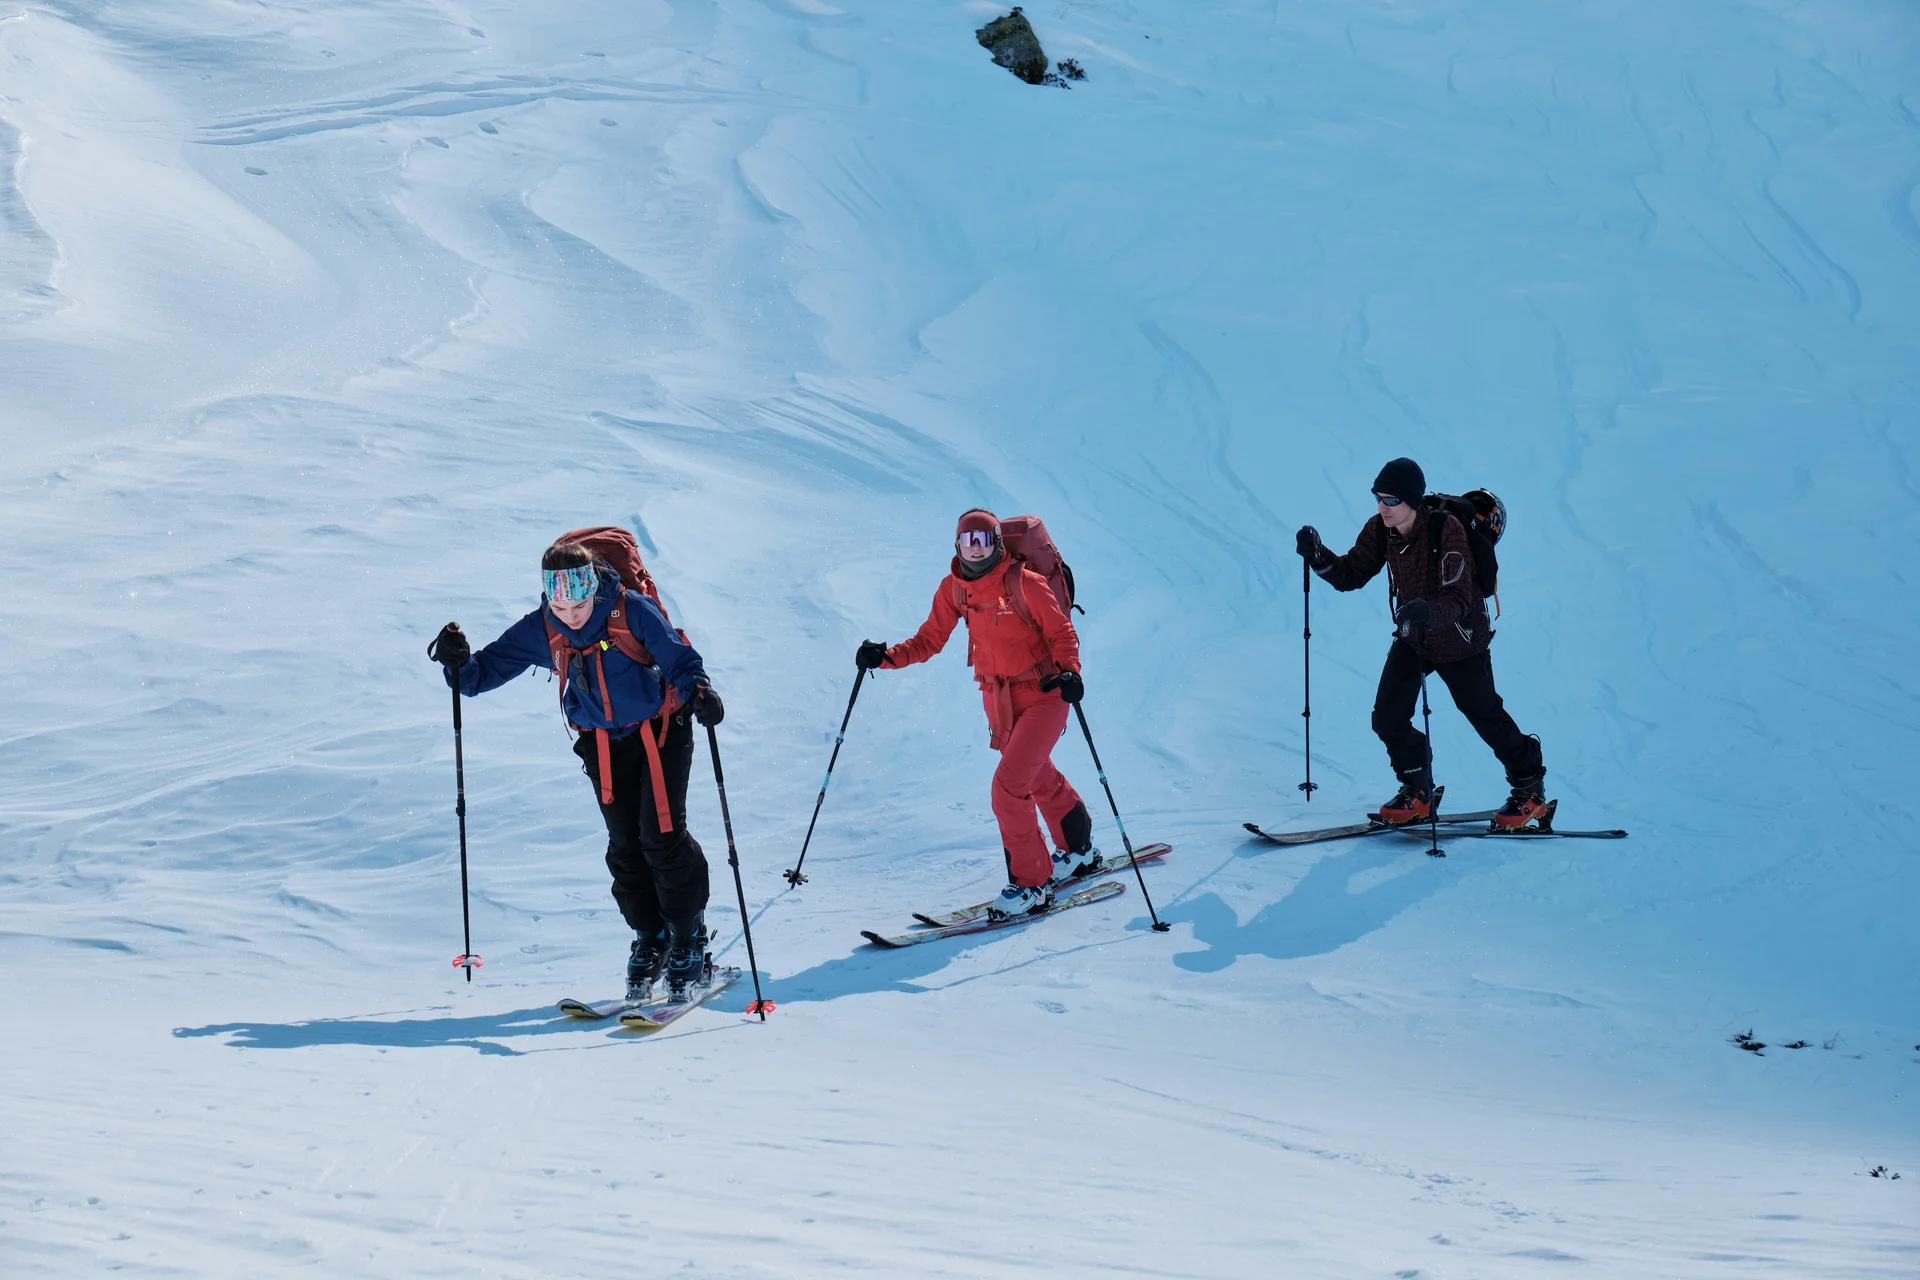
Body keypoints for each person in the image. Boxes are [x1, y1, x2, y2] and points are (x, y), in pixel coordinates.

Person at [429, 540, 725, 1001]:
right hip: (602, 745)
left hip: (661, 732)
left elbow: (680, 659)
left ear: (594, 589)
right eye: (561, 604)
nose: (571, 615)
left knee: (662, 838)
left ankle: (689, 940)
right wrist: (456, 660)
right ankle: (653, 940)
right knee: (625, 847)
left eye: (580, 603)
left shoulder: (633, 611)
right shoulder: (542, 627)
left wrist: (700, 691)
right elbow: (478, 677)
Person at [858, 509, 1101, 919]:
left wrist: (1070, 672)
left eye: (983, 542)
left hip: (1046, 692)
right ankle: (1078, 848)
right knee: (1034, 774)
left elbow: (1061, 633)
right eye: (968, 543)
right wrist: (885, 658)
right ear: (957, 546)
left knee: (1008, 786)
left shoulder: (1026, 583)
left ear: (998, 544)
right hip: (998, 697)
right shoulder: (954, 589)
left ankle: (1032, 885)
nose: (976, 551)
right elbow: (928, 640)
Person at [1295, 458, 1549, 828]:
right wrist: (1318, 558)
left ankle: (1530, 787)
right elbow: (1351, 574)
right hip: (1414, 636)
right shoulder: (1381, 529)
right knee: (1387, 717)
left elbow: (1461, 599)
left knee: (1484, 715)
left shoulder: (1446, 531)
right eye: (1378, 498)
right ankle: (1417, 791)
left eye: (1391, 500)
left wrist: (1427, 612)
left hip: (1460, 640)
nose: (1382, 507)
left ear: (1412, 501)